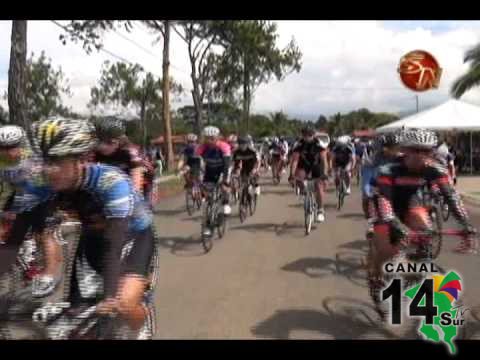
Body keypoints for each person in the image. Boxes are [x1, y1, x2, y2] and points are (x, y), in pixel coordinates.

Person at [21, 118, 157, 338]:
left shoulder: (111, 182)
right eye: (43, 160)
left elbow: (113, 245)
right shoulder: (43, 183)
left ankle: (141, 324)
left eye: (55, 160)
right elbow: (21, 233)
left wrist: (110, 296)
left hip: (133, 236)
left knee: (123, 303)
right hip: (93, 237)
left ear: (81, 160)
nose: (47, 169)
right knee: (75, 319)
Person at [368, 129, 477, 295]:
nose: (421, 155)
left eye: (426, 151)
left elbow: (452, 197)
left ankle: (418, 267)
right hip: (385, 206)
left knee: (426, 229)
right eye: (416, 150)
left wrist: (466, 225)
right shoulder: (388, 170)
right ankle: (376, 279)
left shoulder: (436, 169)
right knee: (387, 250)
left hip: (411, 203)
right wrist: (399, 228)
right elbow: (385, 207)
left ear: (432, 152)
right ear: (405, 150)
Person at [0, 125, 63, 298]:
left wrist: (13, 210)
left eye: (11, 147)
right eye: (2, 147)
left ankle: (49, 275)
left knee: (43, 232)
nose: (7, 152)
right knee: (12, 237)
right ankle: (15, 267)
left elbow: (38, 189)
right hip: (20, 195)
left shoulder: (32, 160)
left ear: (20, 145)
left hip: (43, 197)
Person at [93, 117, 155, 204]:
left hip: (144, 181)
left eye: (108, 142)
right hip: (118, 180)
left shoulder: (130, 152)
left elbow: (136, 183)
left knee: (138, 209)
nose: (101, 147)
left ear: (118, 141)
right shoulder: (96, 153)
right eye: (98, 142)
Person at [196, 126, 232, 237]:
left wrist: (224, 180)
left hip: (223, 170)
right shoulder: (202, 148)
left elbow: (226, 165)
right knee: (207, 199)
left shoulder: (224, 146)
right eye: (207, 138)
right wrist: (198, 177)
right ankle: (207, 226)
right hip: (209, 172)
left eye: (212, 138)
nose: (209, 141)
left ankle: (225, 204)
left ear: (217, 137)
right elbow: (197, 164)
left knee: (224, 188)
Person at [289, 126, 330, 223]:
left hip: (317, 165)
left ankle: (320, 210)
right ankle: (304, 192)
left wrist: (324, 174)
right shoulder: (298, 145)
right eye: (305, 135)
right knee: (298, 179)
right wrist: (291, 175)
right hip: (304, 165)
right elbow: (294, 161)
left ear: (313, 135)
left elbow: (324, 160)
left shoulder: (319, 144)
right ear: (302, 135)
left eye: (309, 135)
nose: (307, 137)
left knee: (319, 186)